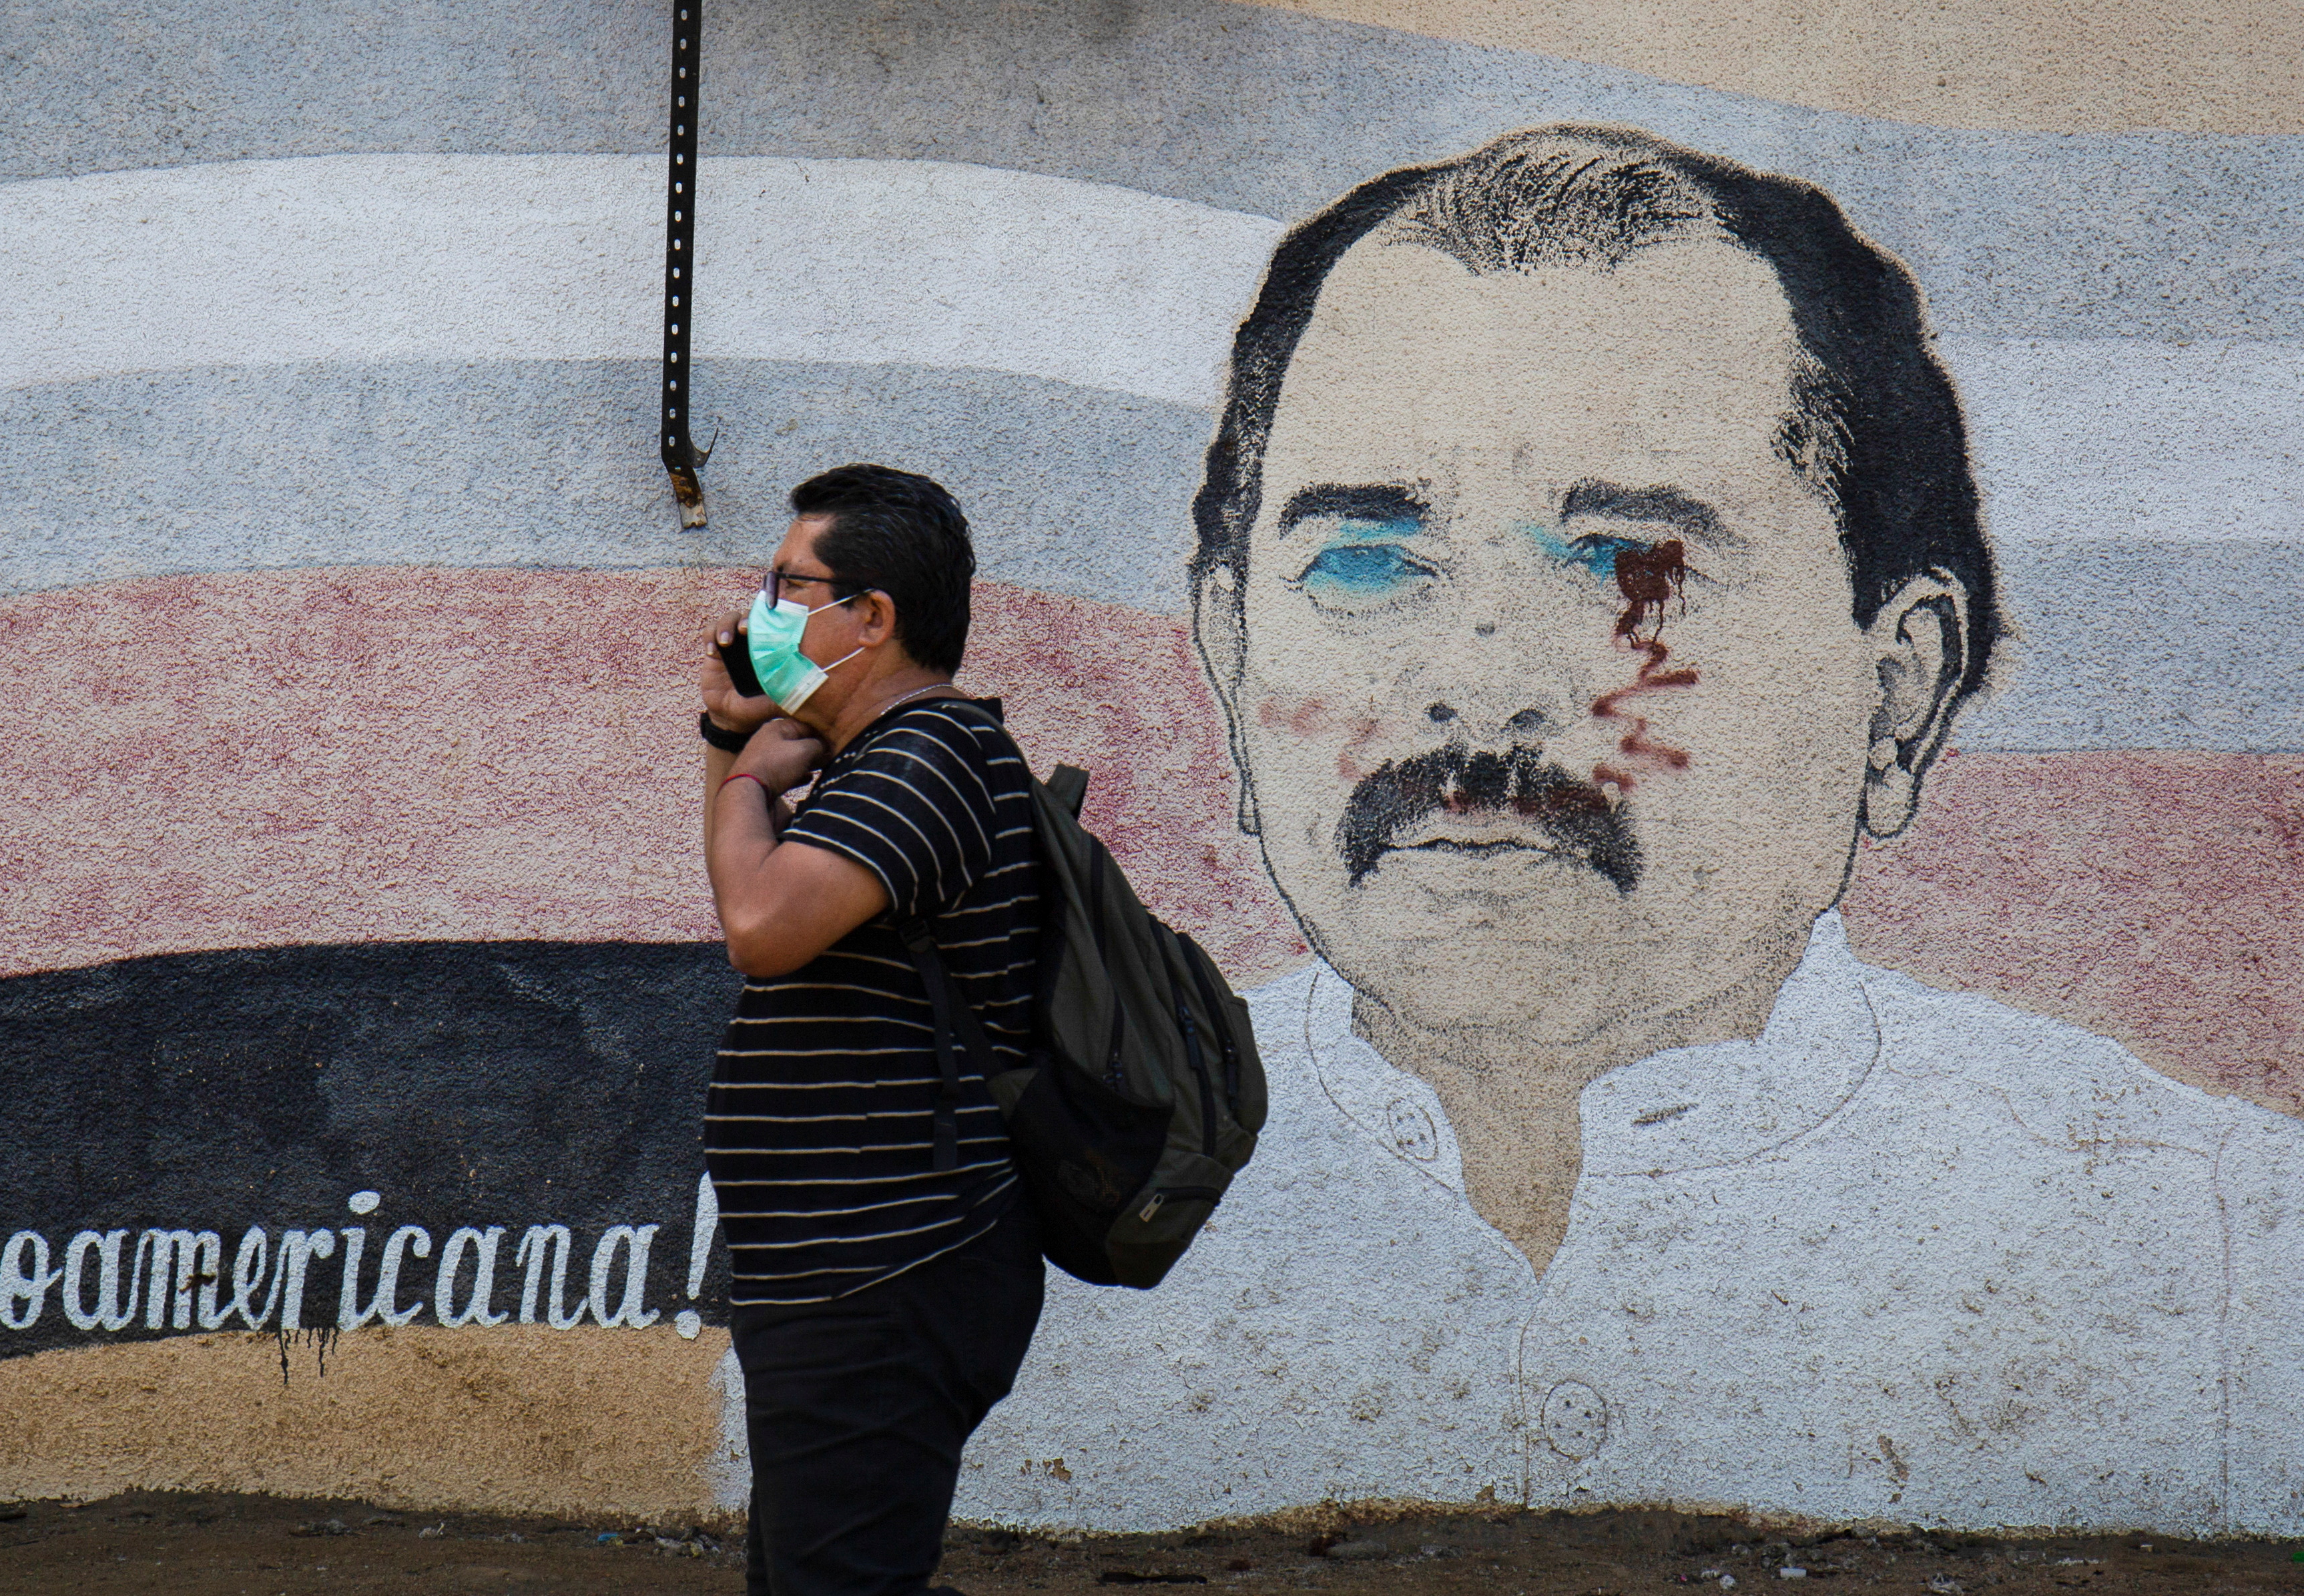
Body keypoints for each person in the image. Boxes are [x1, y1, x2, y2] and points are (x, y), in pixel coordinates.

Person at [958, 125, 2304, 1537]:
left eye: (1630, 561)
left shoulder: (2218, 1249)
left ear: (1895, 694)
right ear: (1231, 661)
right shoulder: (969, 1230)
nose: (1477, 678)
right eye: (1364, 559)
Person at [699, 463, 1046, 1595]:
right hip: (842, 1268)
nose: (764, 608)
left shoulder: (929, 755)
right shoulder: (869, 767)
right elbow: (756, 890)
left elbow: (759, 925)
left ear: (873, 617)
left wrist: (751, 770)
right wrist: (731, 733)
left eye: (789, 584)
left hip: (890, 1266)